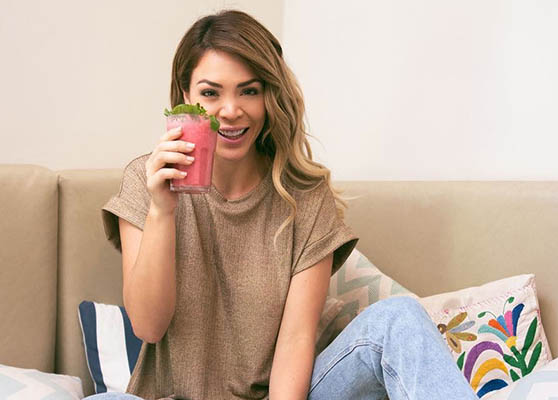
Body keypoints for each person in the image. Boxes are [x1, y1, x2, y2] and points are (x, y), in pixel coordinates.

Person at [89, 9, 477, 400]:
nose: (231, 110)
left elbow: (295, 340)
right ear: (186, 97)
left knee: (400, 317)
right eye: (210, 93)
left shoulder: (305, 194)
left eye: (249, 91)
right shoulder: (146, 179)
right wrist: (162, 211)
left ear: (270, 95)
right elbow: (148, 326)